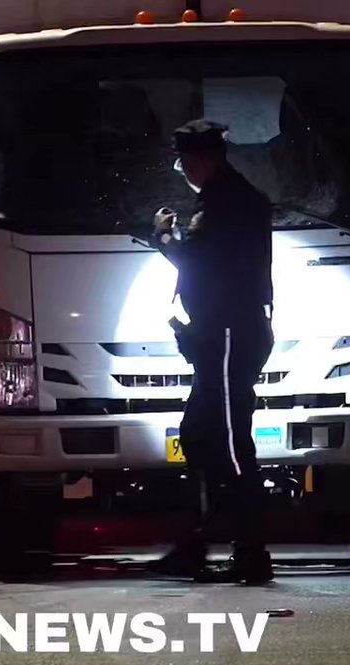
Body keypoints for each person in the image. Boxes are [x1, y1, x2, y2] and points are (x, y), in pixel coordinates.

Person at [149, 119, 276, 585]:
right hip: (220, 334)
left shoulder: (228, 204)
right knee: (198, 435)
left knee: (228, 442)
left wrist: (164, 236)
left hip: (227, 334)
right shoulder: (227, 199)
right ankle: (196, 542)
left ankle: (250, 551)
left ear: (202, 160)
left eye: (185, 161)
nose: (183, 169)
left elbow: (199, 262)